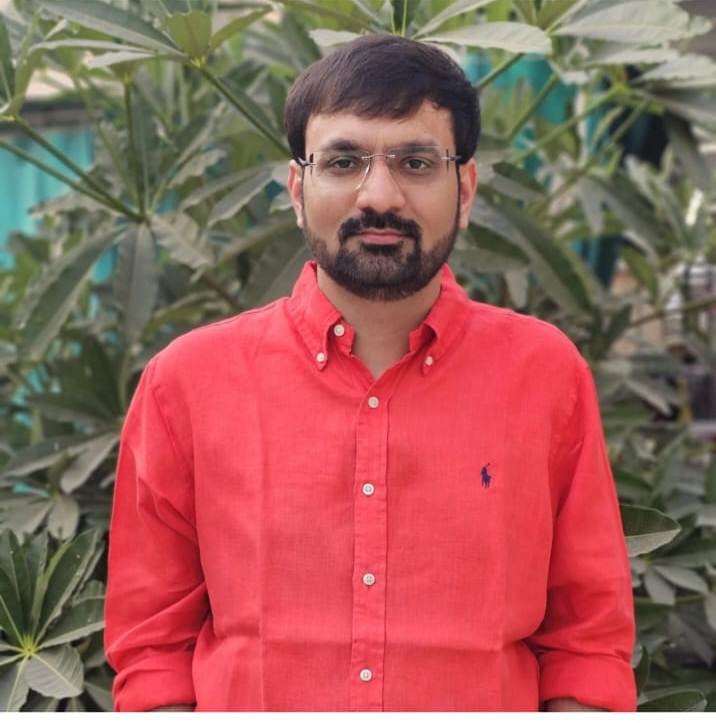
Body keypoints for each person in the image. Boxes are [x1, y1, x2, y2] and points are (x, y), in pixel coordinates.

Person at [104, 33, 637, 712]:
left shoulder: (544, 374)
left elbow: (587, 645)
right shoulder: (186, 382)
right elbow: (153, 650)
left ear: (465, 188)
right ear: (298, 189)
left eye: (416, 162)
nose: (379, 196)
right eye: (344, 161)